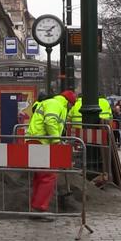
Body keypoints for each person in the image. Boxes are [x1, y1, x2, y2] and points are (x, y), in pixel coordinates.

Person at [26, 90, 77, 220]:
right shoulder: (57, 104)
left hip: (36, 141)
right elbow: (50, 121)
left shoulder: (52, 102)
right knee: (48, 175)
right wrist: (56, 140)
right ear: (69, 102)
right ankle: (39, 209)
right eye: (71, 106)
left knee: (40, 175)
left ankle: (35, 208)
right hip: (41, 142)